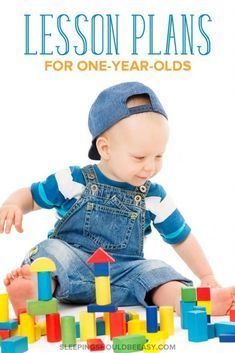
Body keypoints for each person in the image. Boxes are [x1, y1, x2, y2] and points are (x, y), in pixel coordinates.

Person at [1, 82, 234, 316]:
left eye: (158, 156)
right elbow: (31, 197)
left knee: (157, 271)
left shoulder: (153, 196)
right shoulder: (73, 180)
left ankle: (191, 303)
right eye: (140, 156)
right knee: (51, 253)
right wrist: (13, 204)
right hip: (71, 269)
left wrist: (207, 276)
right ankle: (34, 292)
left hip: (125, 275)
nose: (150, 167)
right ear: (105, 148)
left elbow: (181, 238)